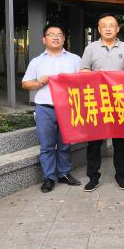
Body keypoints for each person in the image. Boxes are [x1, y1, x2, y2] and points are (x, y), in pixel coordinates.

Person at [22, 24, 82, 193]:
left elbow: (84, 82)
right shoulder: (36, 61)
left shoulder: (75, 60)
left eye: (59, 34)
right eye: (51, 34)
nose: (56, 37)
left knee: (65, 144)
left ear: (64, 39)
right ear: (44, 39)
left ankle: (64, 173)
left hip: (67, 108)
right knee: (47, 145)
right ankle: (49, 177)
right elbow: (25, 84)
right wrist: (38, 83)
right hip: (45, 108)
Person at [80, 13, 124, 192]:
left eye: (112, 25)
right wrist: (97, 76)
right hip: (97, 100)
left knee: (120, 141)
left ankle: (121, 176)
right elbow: (83, 71)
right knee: (94, 142)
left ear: (118, 28)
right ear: (99, 29)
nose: (108, 29)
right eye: (104, 26)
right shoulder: (91, 48)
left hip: (119, 101)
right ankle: (93, 177)